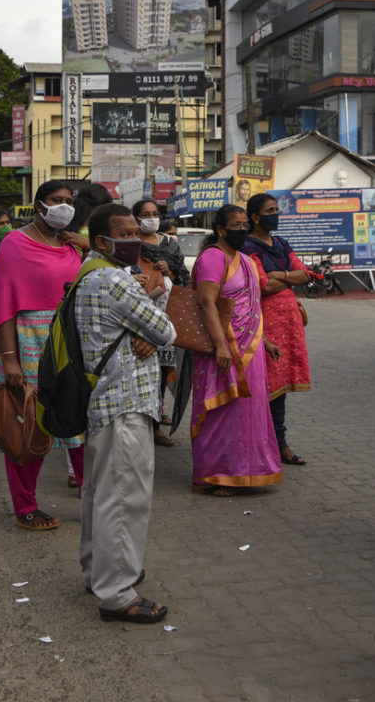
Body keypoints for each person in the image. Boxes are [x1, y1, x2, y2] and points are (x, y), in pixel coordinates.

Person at [76, 204, 176, 624]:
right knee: (124, 497)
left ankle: (98, 570)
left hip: (104, 400)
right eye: (127, 232)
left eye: (138, 230)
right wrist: (148, 328)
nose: (137, 238)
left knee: (100, 493)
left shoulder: (88, 273)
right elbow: (166, 331)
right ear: (103, 241)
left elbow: (147, 329)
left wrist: (144, 328)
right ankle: (116, 592)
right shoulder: (115, 280)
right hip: (125, 401)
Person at [0, 180, 85, 530]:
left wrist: (90, 249)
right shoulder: (15, 243)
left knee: (79, 424)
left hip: (70, 340)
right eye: (57, 200)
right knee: (30, 425)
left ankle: (93, 501)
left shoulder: (73, 244)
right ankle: (25, 506)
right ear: (38, 205)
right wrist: (9, 358)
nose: (64, 206)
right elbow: (2, 302)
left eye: (69, 201)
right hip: (27, 339)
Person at [189, 204, 284, 496]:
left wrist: (265, 341)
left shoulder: (244, 259)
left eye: (245, 224)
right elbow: (206, 303)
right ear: (220, 230)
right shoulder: (212, 258)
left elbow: (252, 304)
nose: (243, 229)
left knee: (247, 410)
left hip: (250, 348)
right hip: (223, 347)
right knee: (222, 411)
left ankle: (247, 470)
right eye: (236, 225)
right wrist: (220, 345)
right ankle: (217, 474)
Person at [239, 193, 313, 466]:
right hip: (266, 322)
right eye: (270, 210)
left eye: (276, 209)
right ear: (255, 217)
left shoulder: (282, 244)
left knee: (280, 387)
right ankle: (265, 442)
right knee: (264, 383)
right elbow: (262, 286)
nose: (276, 214)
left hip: (289, 320)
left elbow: (305, 274)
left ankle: (280, 442)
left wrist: (279, 275)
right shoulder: (248, 247)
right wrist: (287, 278)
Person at [134, 198, 187, 446]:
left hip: (165, 313)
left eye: (155, 213)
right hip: (136, 313)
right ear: (136, 218)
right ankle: (137, 426)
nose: (152, 218)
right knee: (138, 371)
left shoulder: (170, 244)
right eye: (146, 214)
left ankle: (154, 426)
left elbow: (184, 278)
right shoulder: (129, 242)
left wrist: (170, 271)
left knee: (161, 374)